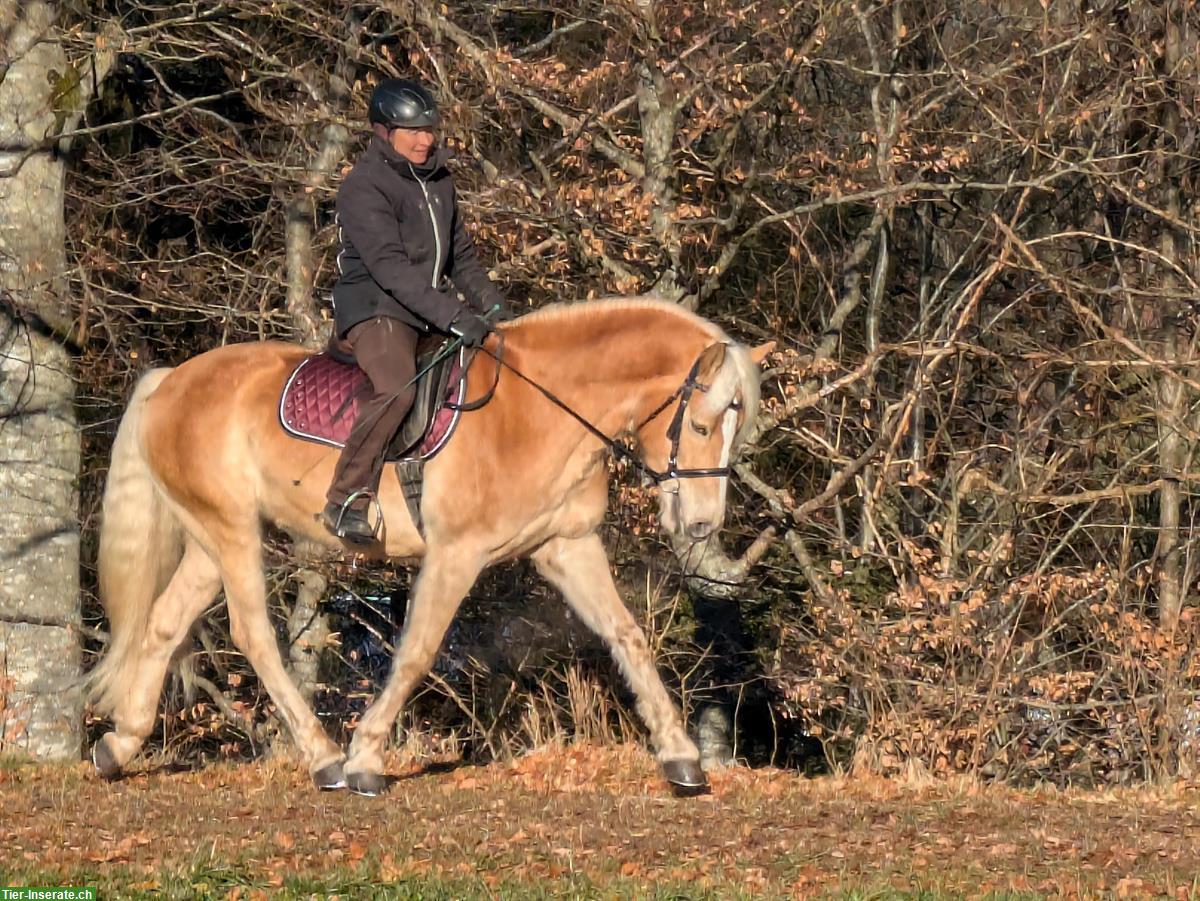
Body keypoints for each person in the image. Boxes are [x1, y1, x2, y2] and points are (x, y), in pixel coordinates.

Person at [322, 78, 506, 543]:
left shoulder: (439, 180)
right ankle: (345, 499)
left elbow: (461, 256)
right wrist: (453, 316)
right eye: (414, 132)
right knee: (398, 388)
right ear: (384, 132)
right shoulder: (363, 188)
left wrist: (491, 305)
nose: (426, 140)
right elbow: (391, 270)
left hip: (426, 310)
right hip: (377, 308)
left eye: (430, 130)